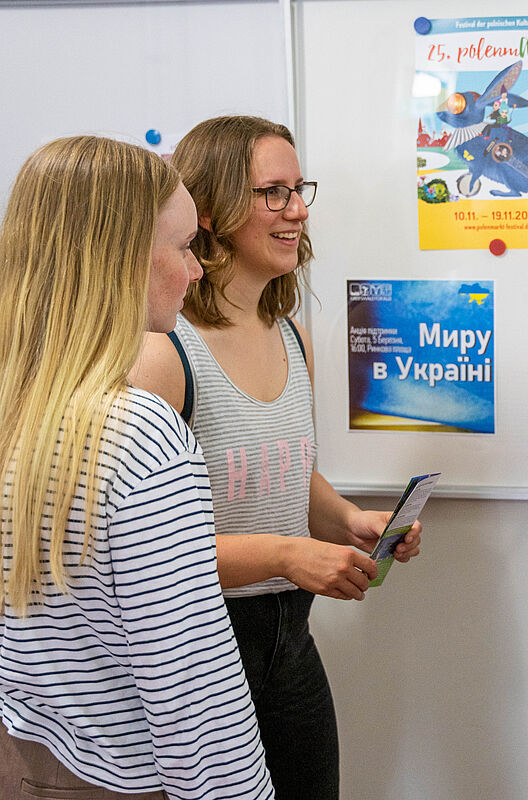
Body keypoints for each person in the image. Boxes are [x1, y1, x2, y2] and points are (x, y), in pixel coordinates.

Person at [129, 116, 420, 800]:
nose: (298, 209)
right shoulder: (162, 355)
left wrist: (346, 521)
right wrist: (289, 554)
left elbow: (280, 467)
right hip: (199, 644)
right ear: (211, 211)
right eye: (273, 192)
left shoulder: (293, 335)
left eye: (298, 189)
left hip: (291, 640)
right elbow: (148, 553)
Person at [0, 136, 273, 798]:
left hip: (26, 753)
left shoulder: (19, 405)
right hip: (121, 777)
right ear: (119, 261)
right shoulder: (139, 434)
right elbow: (189, 685)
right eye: (183, 248)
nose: (197, 271)